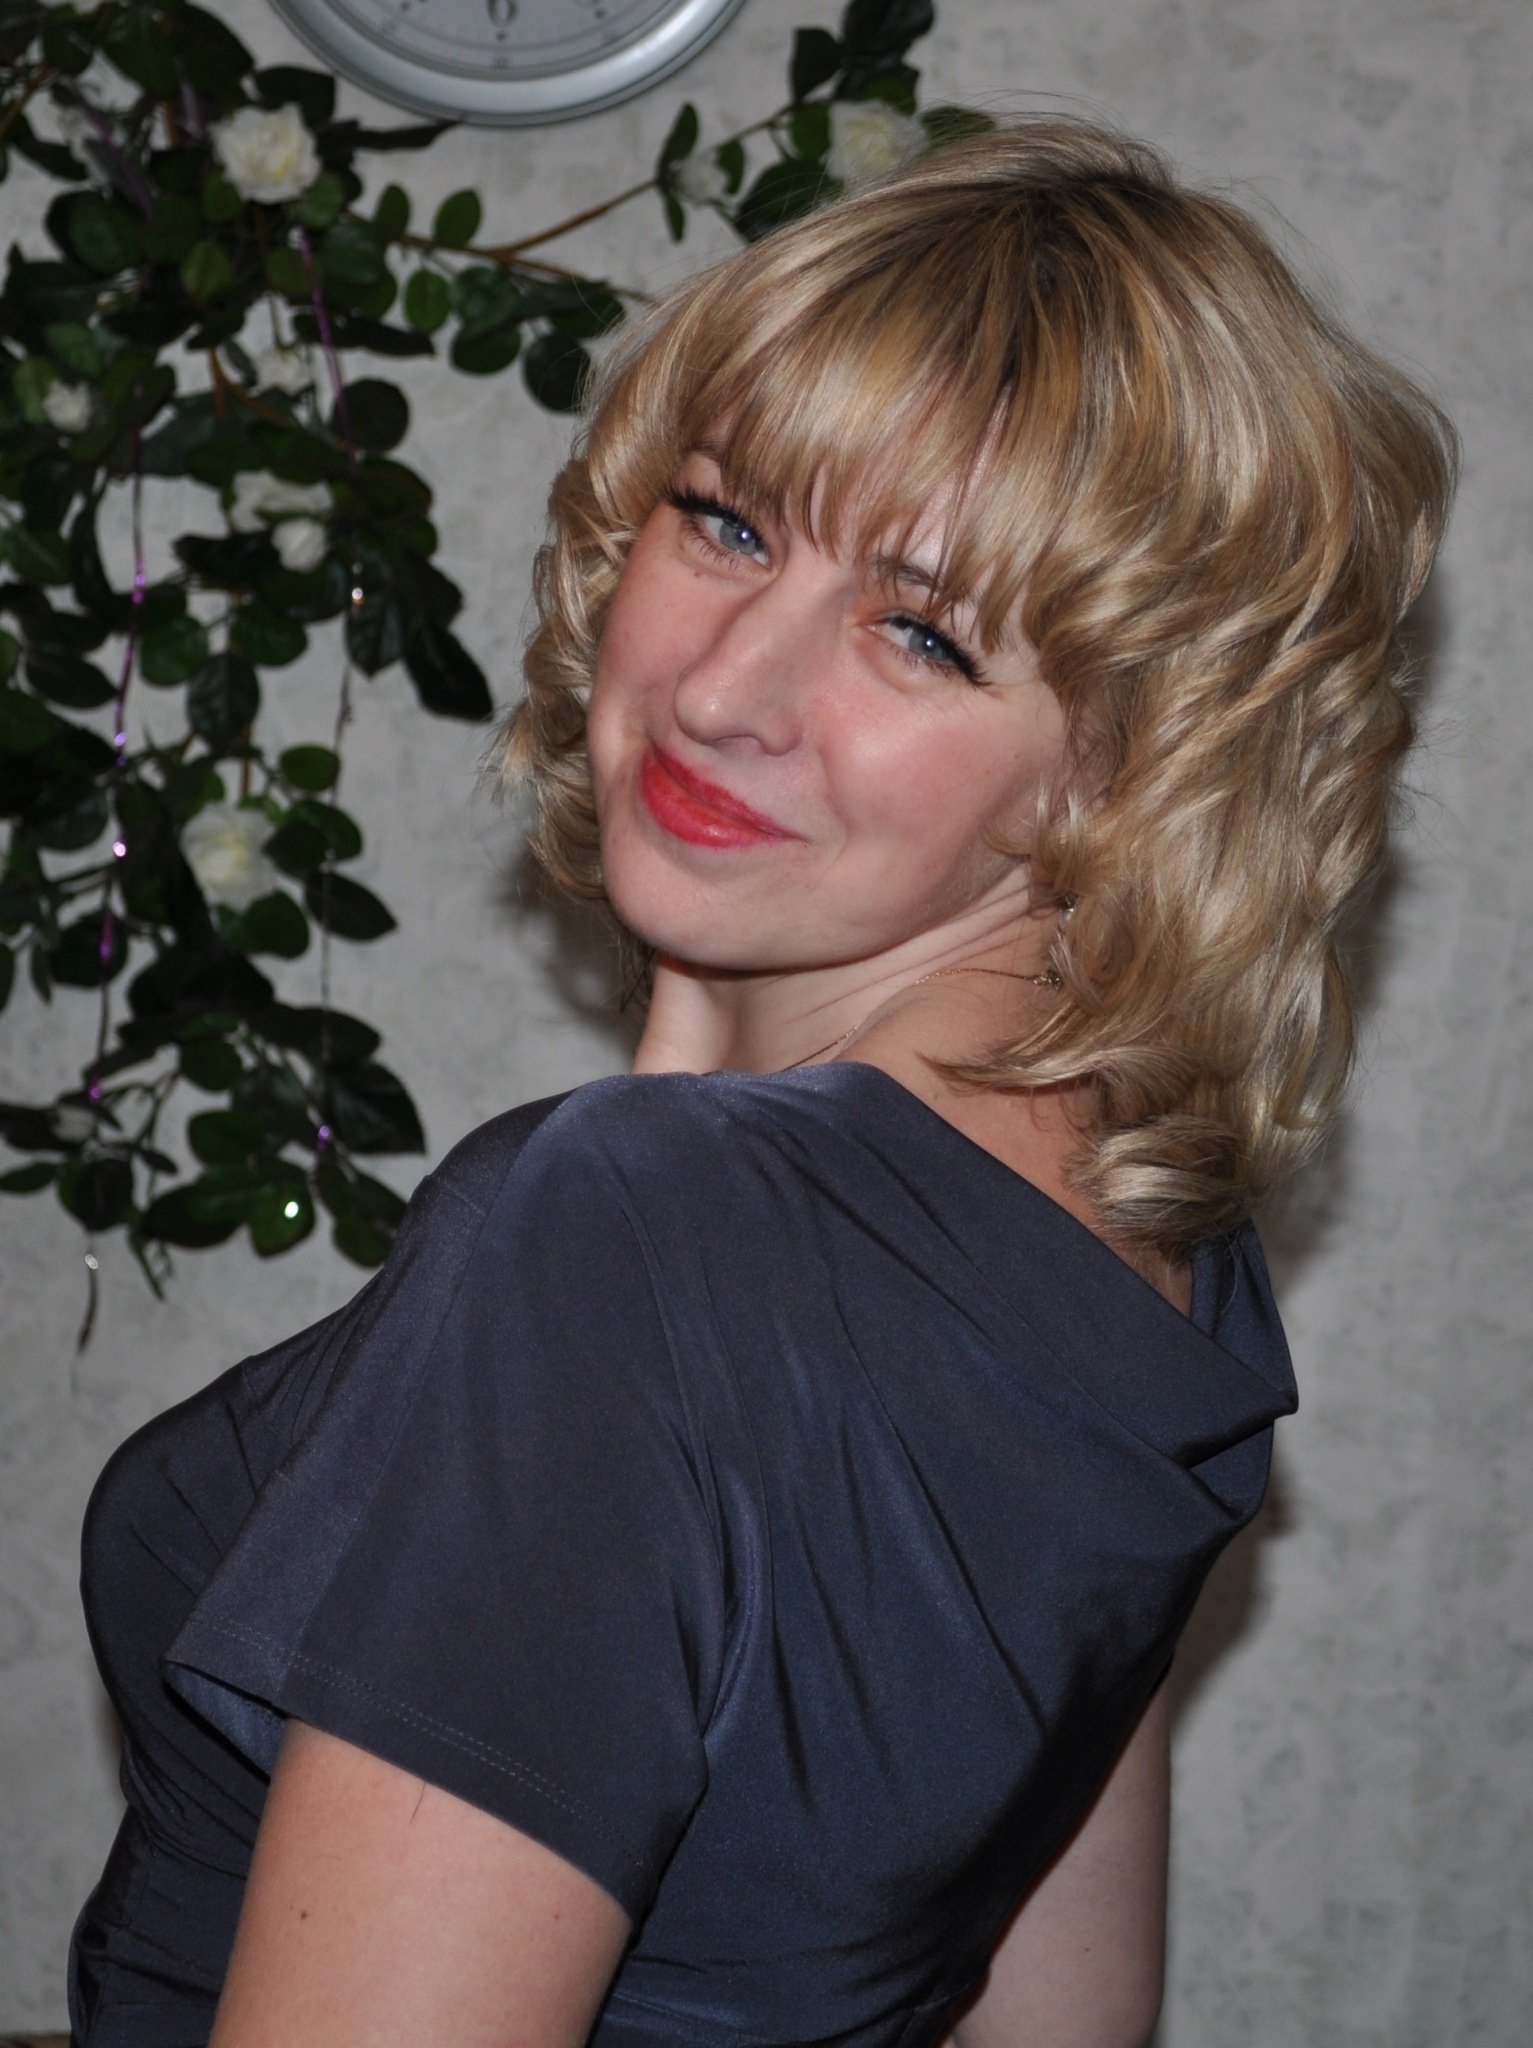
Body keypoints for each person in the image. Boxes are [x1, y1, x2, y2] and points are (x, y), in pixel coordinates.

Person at [69, 120, 1454, 2048]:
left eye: (920, 634)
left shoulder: (634, 1242)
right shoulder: (1145, 1232)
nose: (722, 686)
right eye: (726, 523)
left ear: (1133, 765)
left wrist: (647, 1168)